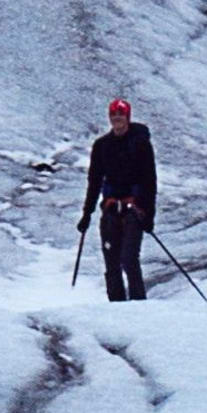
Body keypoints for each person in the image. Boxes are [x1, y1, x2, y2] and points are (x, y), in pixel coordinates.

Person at [78, 100, 156, 303]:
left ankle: (139, 306)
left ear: (127, 117)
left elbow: (150, 180)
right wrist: (87, 213)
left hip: (134, 209)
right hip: (111, 209)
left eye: (120, 114)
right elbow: (94, 181)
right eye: (113, 114)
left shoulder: (140, 144)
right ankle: (116, 308)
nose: (117, 118)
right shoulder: (102, 146)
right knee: (112, 264)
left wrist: (149, 214)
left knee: (129, 259)